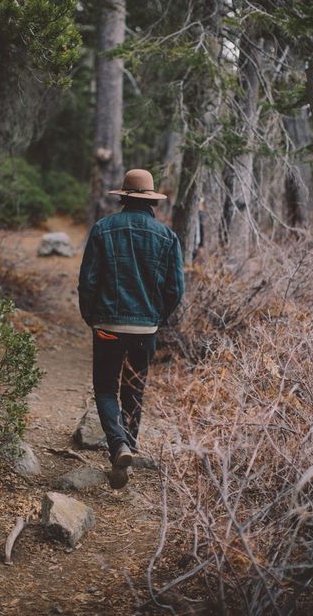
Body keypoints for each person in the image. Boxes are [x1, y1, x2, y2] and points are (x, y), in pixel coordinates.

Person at [78, 169, 185, 489]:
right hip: (145, 330)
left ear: (123, 197)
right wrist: (157, 319)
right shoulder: (167, 237)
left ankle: (119, 446)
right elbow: (175, 289)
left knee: (106, 388)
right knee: (134, 387)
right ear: (151, 201)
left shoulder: (103, 229)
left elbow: (88, 282)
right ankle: (130, 446)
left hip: (108, 326)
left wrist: (90, 317)